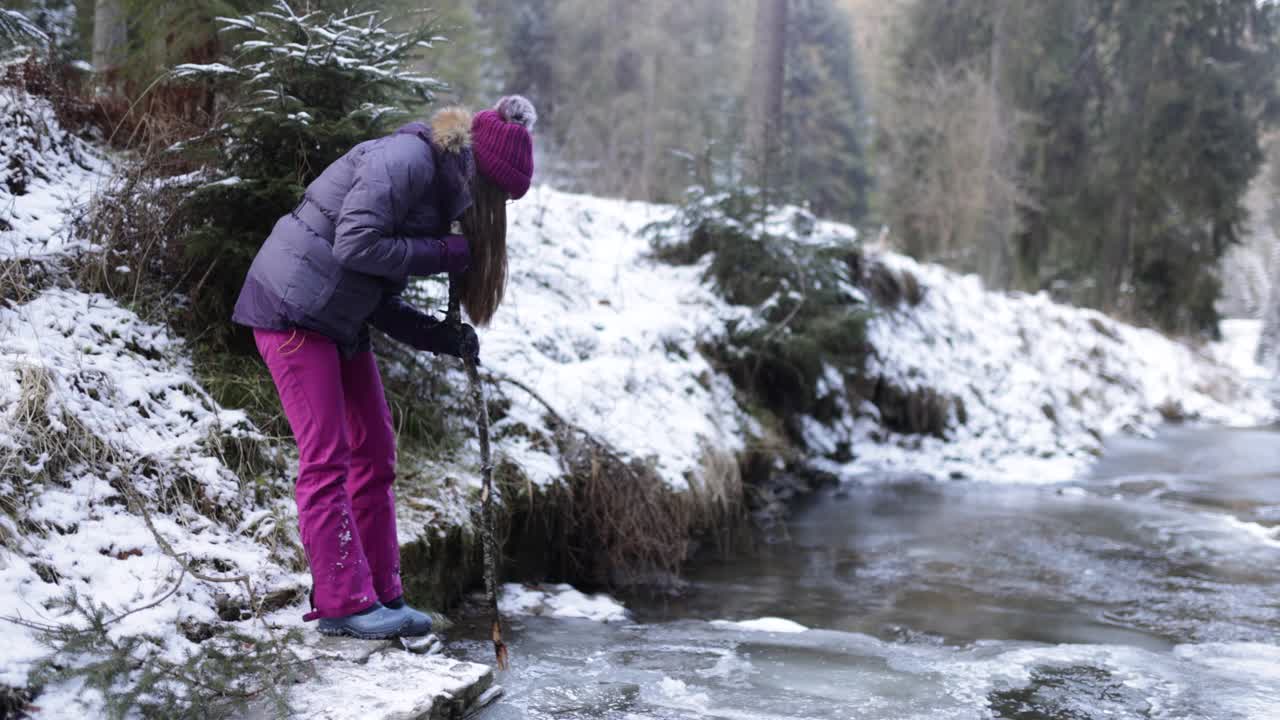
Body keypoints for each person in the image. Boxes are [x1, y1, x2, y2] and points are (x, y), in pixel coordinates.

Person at [231, 96, 536, 639]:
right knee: (328, 457)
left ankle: (382, 595)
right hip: (291, 310)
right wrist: (443, 252)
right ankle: (343, 603)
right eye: (497, 197)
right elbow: (354, 246)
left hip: (341, 318)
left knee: (375, 450)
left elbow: (376, 295)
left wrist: (441, 337)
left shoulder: (443, 190)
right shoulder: (407, 161)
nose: (494, 211)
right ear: (479, 171)